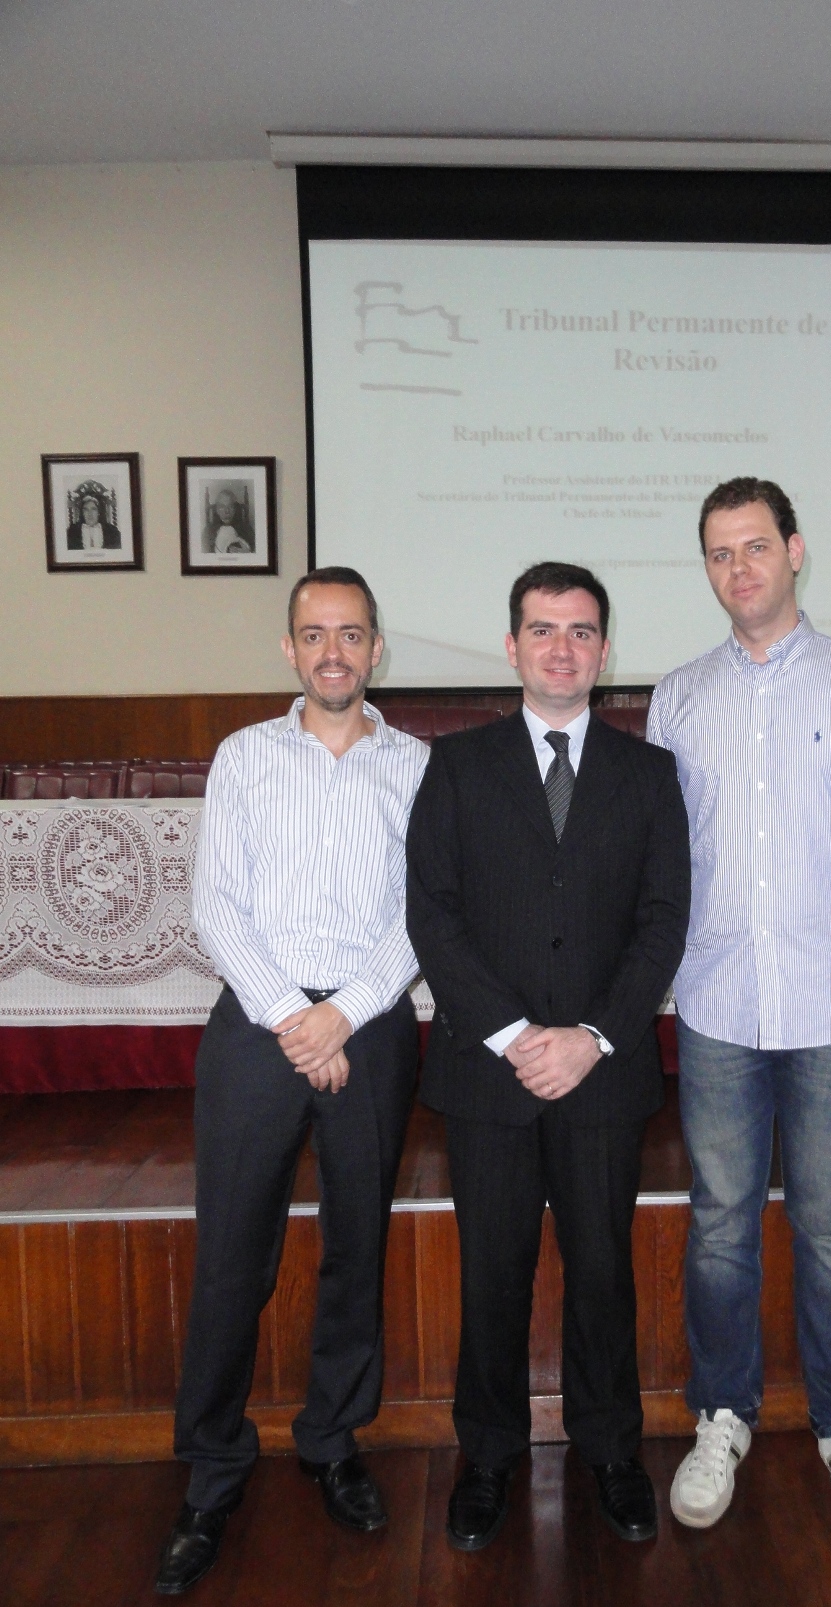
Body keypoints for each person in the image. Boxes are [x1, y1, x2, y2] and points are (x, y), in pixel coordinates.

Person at [646, 478, 831, 1545]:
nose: (739, 569)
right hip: (718, 997)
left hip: (828, 998)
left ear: (795, 551)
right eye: (719, 553)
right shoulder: (677, 697)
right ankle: (720, 1415)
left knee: (828, 1225)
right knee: (719, 1222)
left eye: (755, 546)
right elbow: (668, 845)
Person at [155, 566, 429, 1596]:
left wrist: (343, 1012)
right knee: (233, 1250)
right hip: (256, 1026)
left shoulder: (416, 765)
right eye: (314, 633)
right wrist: (292, 1017)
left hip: (370, 1027)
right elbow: (216, 903)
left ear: (376, 649)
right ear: (289, 648)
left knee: (357, 1244)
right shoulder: (244, 755)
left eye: (351, 633)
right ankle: (212, 1462)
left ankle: (330, 1439)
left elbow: (423, 909)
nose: (332, 651)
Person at [406, 560, 690, 1552]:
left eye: (579, 631)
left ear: (604, 651)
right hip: (489, 1073)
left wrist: (592, 1036)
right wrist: (515, 1036)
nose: (560, 647)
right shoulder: (456, 765)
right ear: (511, 646)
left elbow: (662, 921)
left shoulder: (649, 774)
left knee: (602, 1270)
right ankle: (487, 1455)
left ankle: (610, 1448)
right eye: (541, 629)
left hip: (602, 1072)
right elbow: (433, 915)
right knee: (492, 1273)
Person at [206, 487, 254, 554]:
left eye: (230, 506)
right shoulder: (208, 531)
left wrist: (248, 553)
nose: (227, 511)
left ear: (235, 509)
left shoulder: (246, 529)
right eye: (222, 507)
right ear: (217, 510)